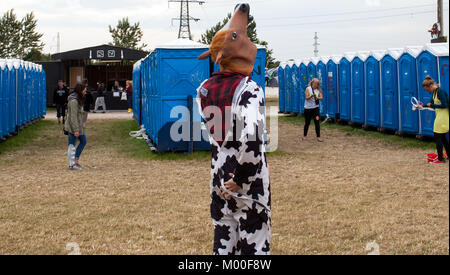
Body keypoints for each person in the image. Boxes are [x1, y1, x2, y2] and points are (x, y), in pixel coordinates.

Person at [197, 3, 270, 255]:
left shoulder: (203, 90)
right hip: (246, 184)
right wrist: (241, 178)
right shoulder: (249, 90)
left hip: (219, 177)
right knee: (254, 246)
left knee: (223, 243)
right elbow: (252, 139)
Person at [421, 76, 449, 163]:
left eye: (426, 89)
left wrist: (432, 105)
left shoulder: (440, 91)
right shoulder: (434, 92)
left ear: (431, 86)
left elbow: (445, 105)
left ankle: (440, 159)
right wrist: (421, 106)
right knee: (443, 138)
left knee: (437, 136)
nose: (427, 91)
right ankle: (447, 156)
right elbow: (431, 104)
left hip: (443, 116)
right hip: (440, 116)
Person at [64, 84, 87, 170]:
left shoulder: (78, 100)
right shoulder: (74, 101)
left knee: (83, 141)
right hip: (73, 127)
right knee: (71, 145)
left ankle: (75, 160)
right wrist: (75, 130)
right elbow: (73, 117)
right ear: (80, 91)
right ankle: (72, 164)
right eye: (84, 90)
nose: (85, 92)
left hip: (79, 126)